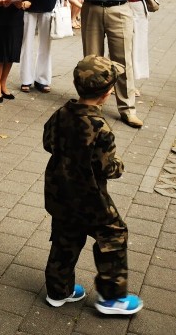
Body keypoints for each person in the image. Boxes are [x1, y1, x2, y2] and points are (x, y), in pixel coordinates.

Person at [42, 55, 143, 316]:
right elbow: (108, 168)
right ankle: (112, 299)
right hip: (89, 196)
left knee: (66, 237)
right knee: (113, 235)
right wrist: (119, 164)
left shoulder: (62, 112)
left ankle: (58, 290)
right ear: (106, 94)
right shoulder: (100, 127)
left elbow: (48, 142)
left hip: (59, 192)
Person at [69, 0, 144, 128]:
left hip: (119, 9)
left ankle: (127, 109)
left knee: (123, 60)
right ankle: (93, 107)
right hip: (92, 9)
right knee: (92, 60)